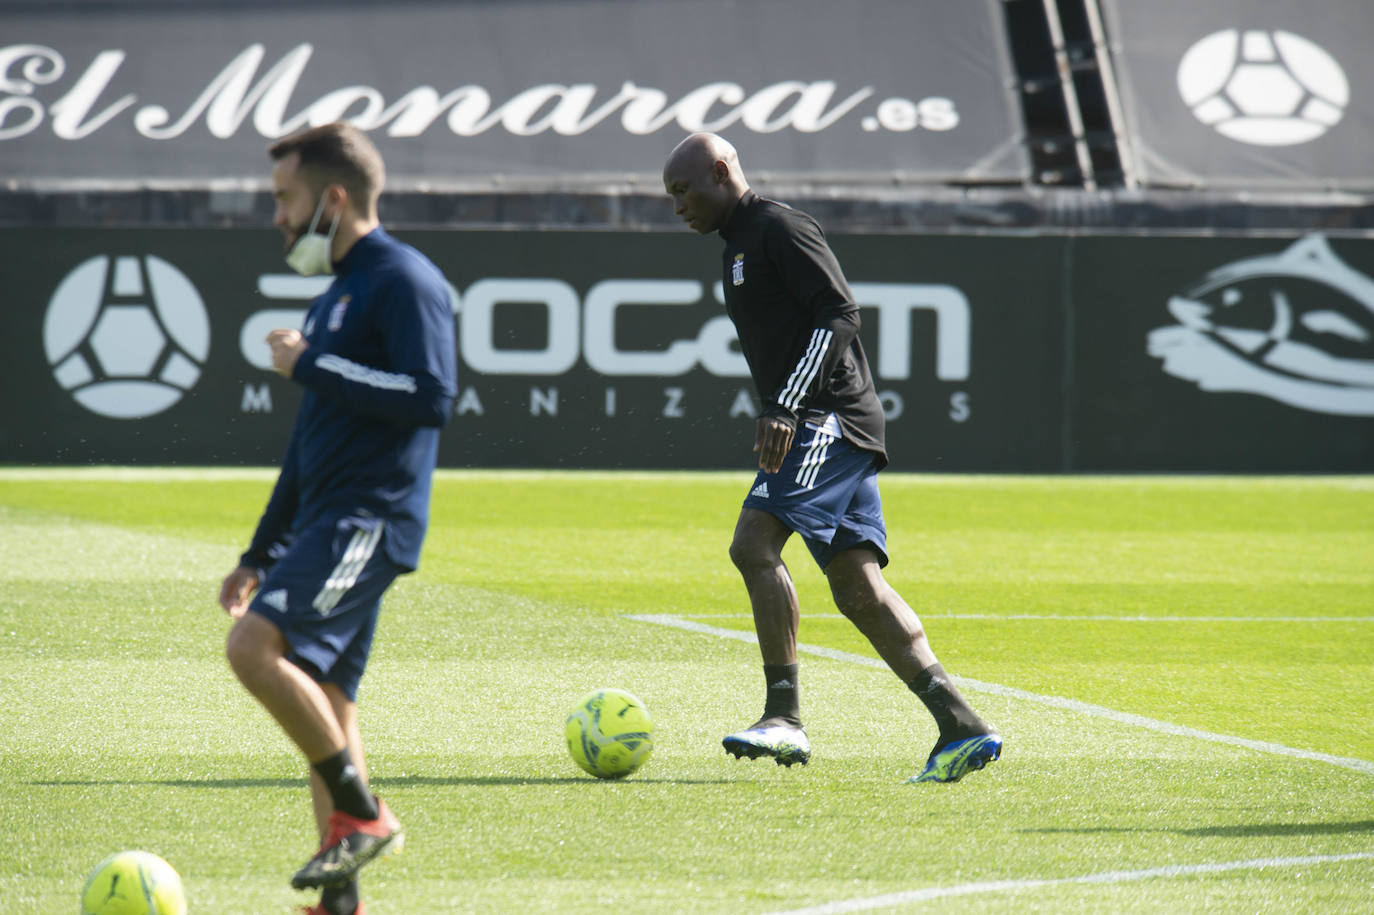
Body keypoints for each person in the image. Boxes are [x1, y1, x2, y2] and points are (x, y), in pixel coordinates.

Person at [662, 132, 1001, 783]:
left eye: (684, 189)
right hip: (829, 421)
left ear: (722, 168)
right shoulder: (737, 247)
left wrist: (787, 404)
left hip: (829, 419)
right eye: (670, 196)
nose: (678, 205)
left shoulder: (779, 227)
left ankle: (783, 717)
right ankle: (961, 724)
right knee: (858, 589)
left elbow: (840, 311)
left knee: (753, 544)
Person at [218, 121, 457, 915]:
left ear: (334, 197)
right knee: (327, 702)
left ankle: (362, 809)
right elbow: (305, 444)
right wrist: (259, 550)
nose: (278, 218)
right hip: (330, 519)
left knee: (253, 647)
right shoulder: (334, 296)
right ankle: (339, 902)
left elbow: (432, 398)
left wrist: (311, 363)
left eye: (285, 199)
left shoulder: (404, 280)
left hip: (369, 520)